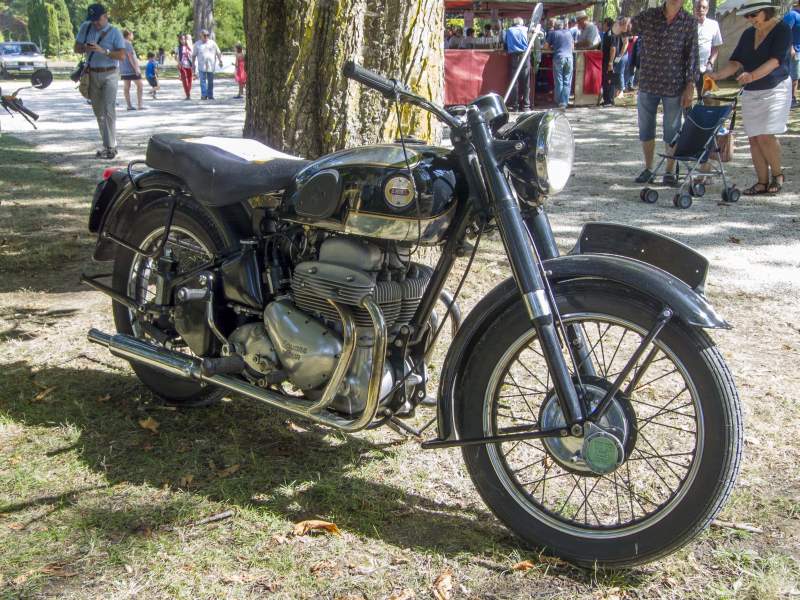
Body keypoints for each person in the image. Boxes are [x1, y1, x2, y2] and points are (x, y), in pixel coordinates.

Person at [708, 0, 791, 195]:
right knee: (754, 138)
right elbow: (737, 62)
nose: (749, 19)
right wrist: (718, 75)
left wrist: (752, 75)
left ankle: (777, 175)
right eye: (747, 16)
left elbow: (775, 61)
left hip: (775, 88)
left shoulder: (782, 29)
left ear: (766, 12)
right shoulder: (747, 34)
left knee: (765, 134)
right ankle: (761, 181)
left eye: (753, 15)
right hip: (751, 90)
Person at [616, 0, 698, 185]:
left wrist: (690, 85)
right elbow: (624, 28)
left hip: (674, 85)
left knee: (672, 130)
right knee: (646, 128)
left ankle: (669, 172)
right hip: (648, 83)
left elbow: (692, 56)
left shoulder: (689, 22)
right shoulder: (650, 15)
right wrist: (621, 22)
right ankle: (648, 168)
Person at [74, 3, 125, 159]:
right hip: (92, 74)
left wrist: (104, 51)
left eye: (98, 19)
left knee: (109, 109)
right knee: (99, 113)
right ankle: (108, 145)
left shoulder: (115, 32)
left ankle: (111, 146)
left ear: (105, 16)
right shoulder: (86, 27)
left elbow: (122, 56)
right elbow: (76, 48)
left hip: (110, 73)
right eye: (92, 19)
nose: (95, 23)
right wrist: (86, 48)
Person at [695, 0, 723, 99]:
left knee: (707, 95)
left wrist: (710, 63)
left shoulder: (713, 25)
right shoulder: (689, 24)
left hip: (707, 67)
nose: (700, 10)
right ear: (695, 9)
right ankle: (688, 114)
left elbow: (716, 47)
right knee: (687, 96)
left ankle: (704, 113)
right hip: (690, 67)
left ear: (707, 10)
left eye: (703, 7)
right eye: (698, 7)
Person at [545, 19, 575, 109]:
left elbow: (545, 47)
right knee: (567, 81)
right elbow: (573, 47)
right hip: (569, 58)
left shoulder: (553, 33)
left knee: (559, 80)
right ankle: (564, 102)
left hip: (558, 57)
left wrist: (552, 48)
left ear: (555, 26)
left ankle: (558, 101)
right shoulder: (569, 33)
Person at [505, 17, 531, 111]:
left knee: (514, 82)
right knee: (526, 82)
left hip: (514, 56)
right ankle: (526, 106)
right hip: (525, 55)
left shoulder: (509, 30)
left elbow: (505, 45)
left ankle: (514, 105)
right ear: (522, 23)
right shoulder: (526, 30)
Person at [192, 29, 223, 100]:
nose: (206, 37)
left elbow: (218, 52)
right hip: (201, 65)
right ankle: (204, 95)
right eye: (205, 35)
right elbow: (194, 55)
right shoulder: (197, 44)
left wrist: (220, 60)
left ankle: (210, 95)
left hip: (211, 65)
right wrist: (193, 64)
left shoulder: (212, 43)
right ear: (201, 36)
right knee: (202, 81)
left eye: (207, 35)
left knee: (210, 81)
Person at [120, 30, 143, 111]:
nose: (133, 35)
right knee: (140, 85)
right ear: (128, 35)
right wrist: (136, 69)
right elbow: (131, 57)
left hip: (123, 68)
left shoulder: (120, 43)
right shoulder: (128, 44)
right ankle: (140, 105)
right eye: (132, 34)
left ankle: (129, 105)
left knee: (126, 87)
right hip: (131, 69)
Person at [600, 18, 621, 106]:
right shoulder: (606, 33)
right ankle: (606, 99)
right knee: (606, 79)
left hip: (609, 61)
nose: (602, 26)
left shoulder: (611, 34)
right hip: (605, 60)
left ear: (607, 24)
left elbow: (613, 48)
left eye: (603, 24)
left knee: (609, 80)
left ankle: (610, 100)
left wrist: (611, 62)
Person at [784, 0, 800, 107]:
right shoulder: (792, 15)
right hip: (794, 50)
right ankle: (790, 99)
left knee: (796, 76)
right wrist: (790, 47)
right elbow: (785, 31)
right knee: (793, 76)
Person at [173, 33, 193, 100]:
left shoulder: (189, 46)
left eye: (184, 39)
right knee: (184, 80)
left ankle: (188, 92)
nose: (183, 40)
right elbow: (175, 57)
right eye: (181, 39)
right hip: (182, 65)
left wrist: (189, 46)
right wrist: (178, 62)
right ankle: (187, 94)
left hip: (189, 64)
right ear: (179, 40)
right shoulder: (178, 48)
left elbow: (193, 54)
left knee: (190, 79)